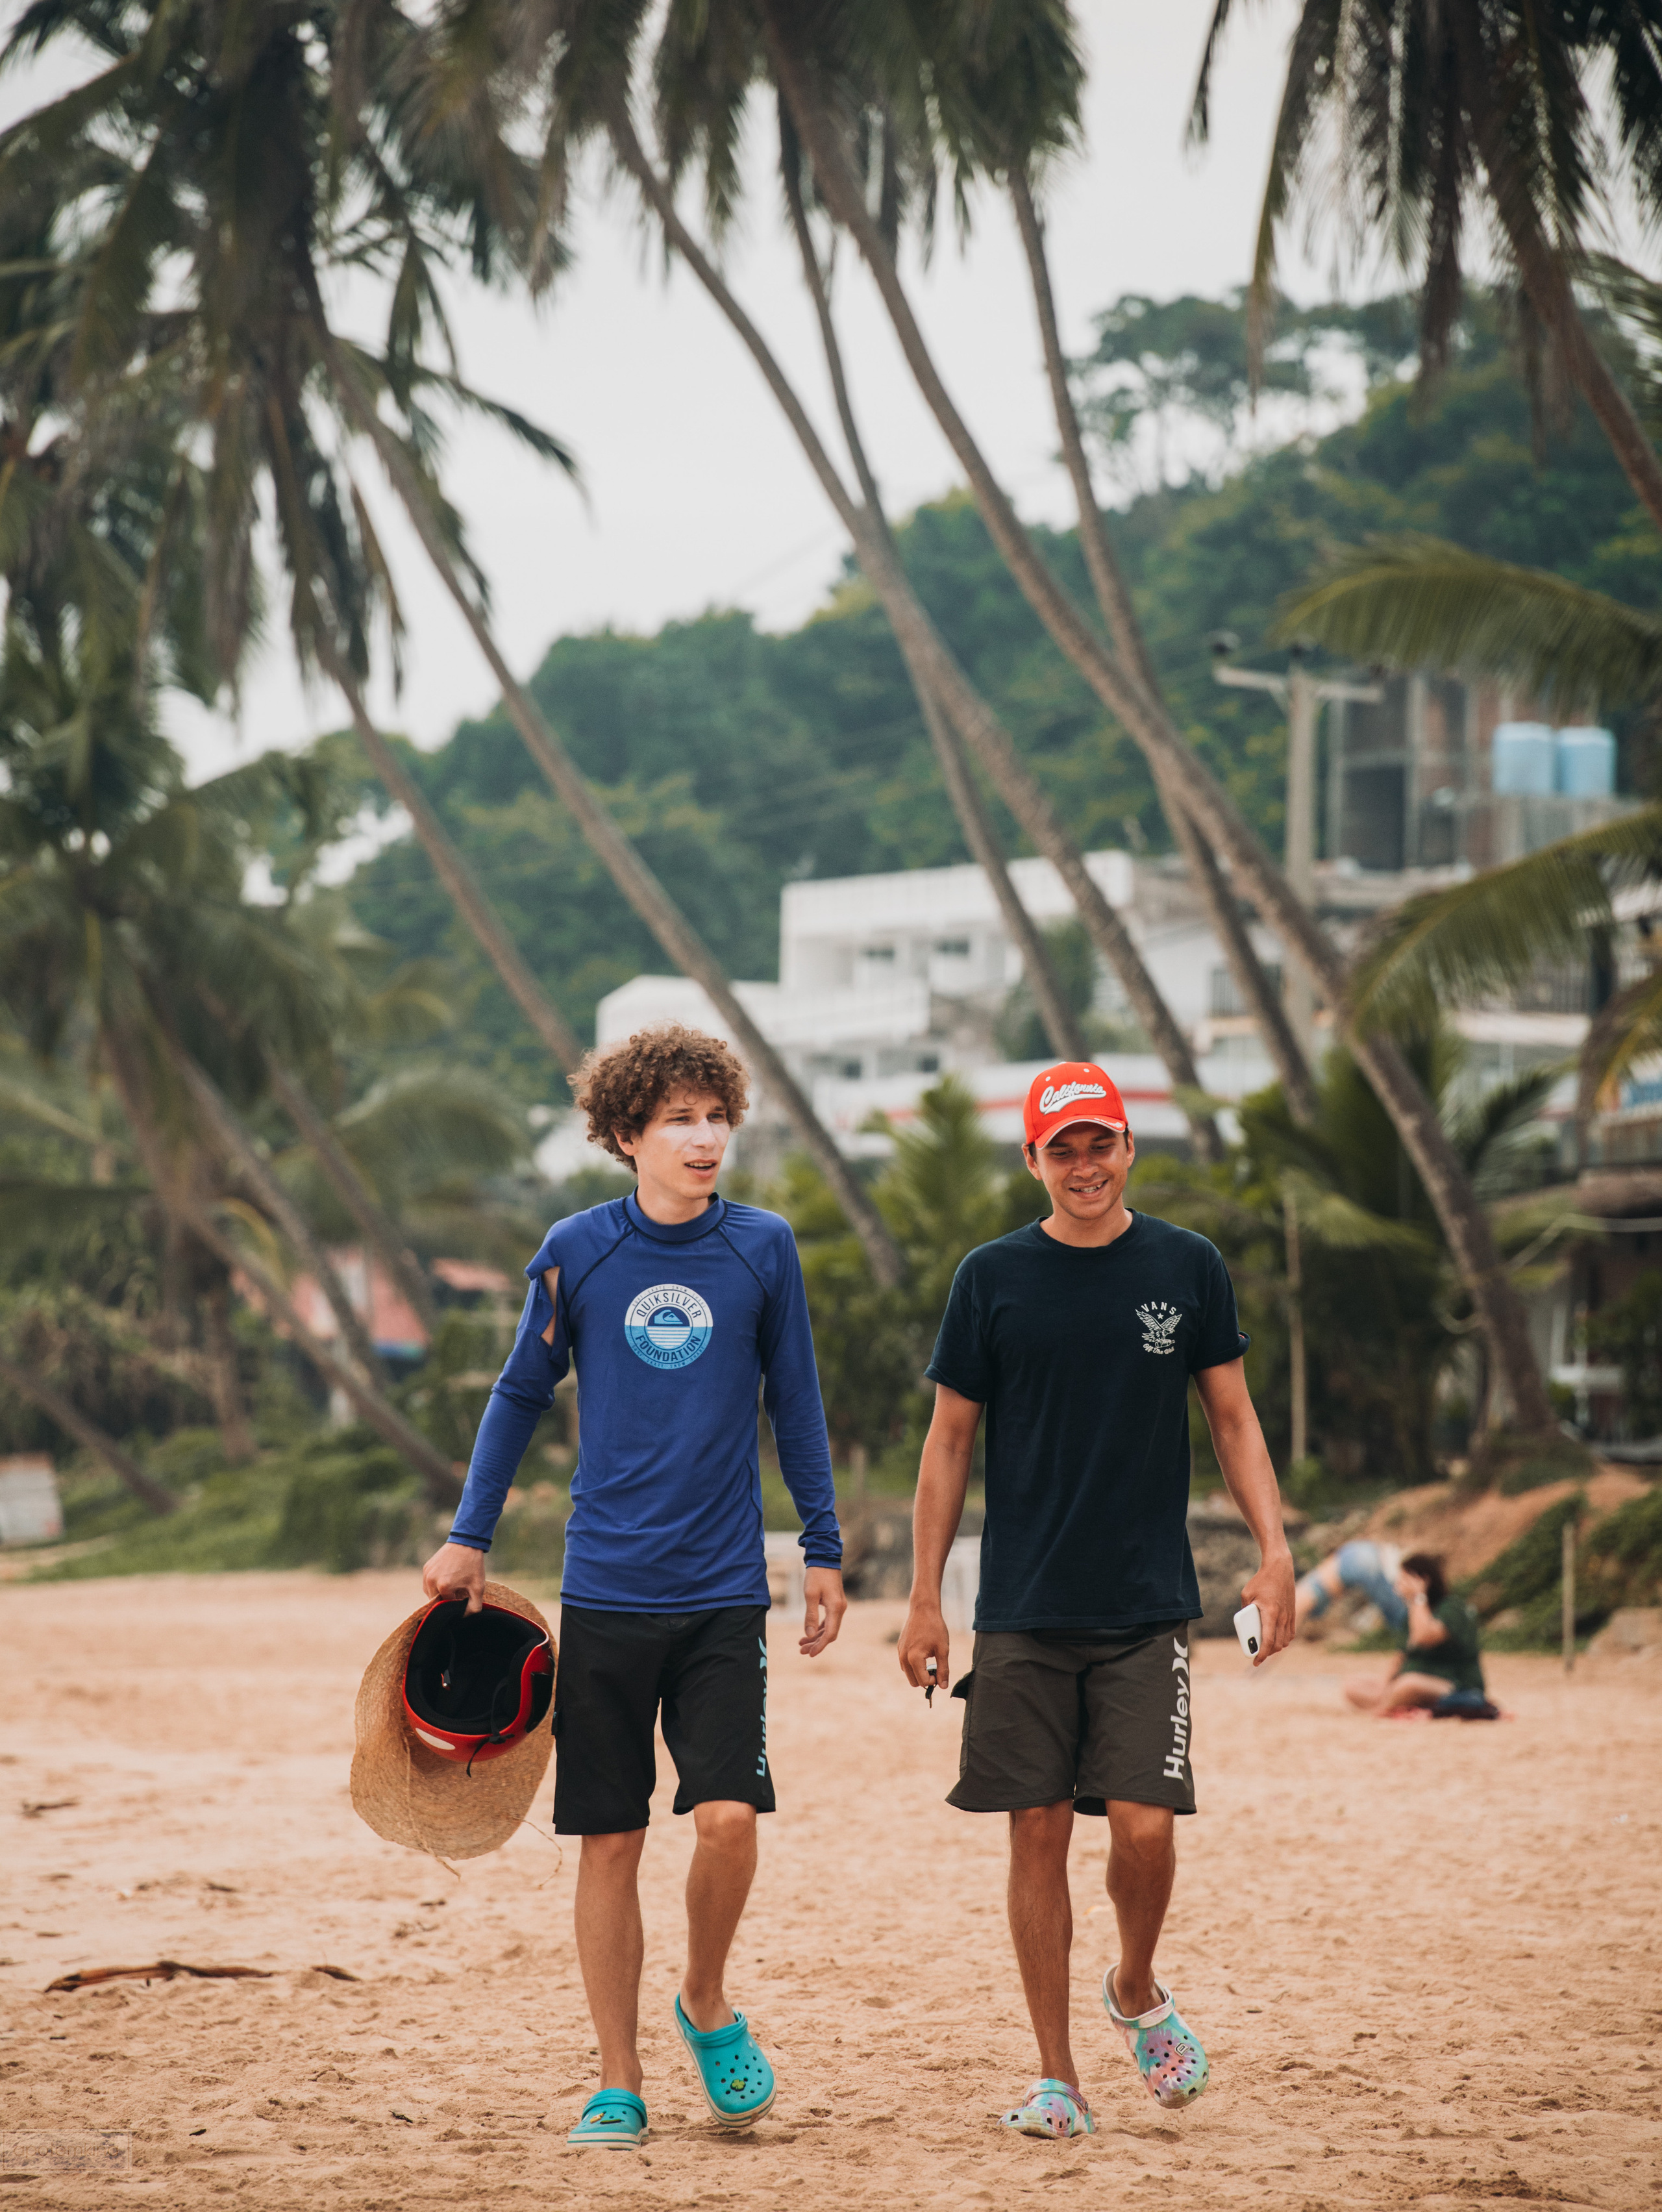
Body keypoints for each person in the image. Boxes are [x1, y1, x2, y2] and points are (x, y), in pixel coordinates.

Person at [421, 1024, 846, 2151]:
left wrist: (825, 1544)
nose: (705, 1139)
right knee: (609, 1840)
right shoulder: (579, 1252)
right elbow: (518, 1395)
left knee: (727, 1817)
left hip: (720, 1595)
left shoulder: (763, 1249)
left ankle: (704, 1996)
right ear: (625, 1135)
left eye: (716, 1118)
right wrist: (471, 1533)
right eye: (678, 1121)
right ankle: (619, 2078)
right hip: (604, 1590)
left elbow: (794, 1401)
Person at [897, 1062, 1295, 2142]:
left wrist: (1275, 1550)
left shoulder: (1186, 1265)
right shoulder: (991, 1277)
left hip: (1146, 1604)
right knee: (1033, 1830)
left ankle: (1134, 1982)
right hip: (1021, 1607)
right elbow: (949, 1441)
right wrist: (926, 1597)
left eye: (1100, 1142)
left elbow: (1233, 1417)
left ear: (1129, 1149)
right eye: (1061, 1147)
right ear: (1033, 1159)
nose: (1084, 1164)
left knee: (1147, 1828)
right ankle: (1057, 2076)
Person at [1342, 1552, 1492, 1716]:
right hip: (1410, 1681)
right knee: (1354, 1685)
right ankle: (1391, 1703)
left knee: (1408, 1685)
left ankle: (1383, 1709)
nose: (1398, 1584)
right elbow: (1401, 1657)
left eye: (1404, 1579)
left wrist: (1419, 1597)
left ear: (1423, 1580)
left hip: (1455, 1685)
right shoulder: (1410, 1615)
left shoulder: (1451, 1608)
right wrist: (1385, 1686)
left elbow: (1424, 1637)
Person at [1295, 1539, 1407, 1635]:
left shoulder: (1299, 1596)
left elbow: (1290, 1626)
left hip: (1354, 1562)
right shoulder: (1310, 1582)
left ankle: (1411, 1637)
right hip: (1355, 1553)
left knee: (1398, 1615)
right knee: (1396, 1600)